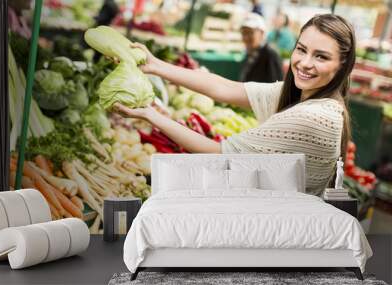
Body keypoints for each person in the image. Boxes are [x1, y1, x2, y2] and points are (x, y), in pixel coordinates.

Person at [114, 14, 355, 196]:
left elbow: (218, 154)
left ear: (343, 65)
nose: (304, 63)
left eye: (321, 56)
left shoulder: (314, 116)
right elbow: (225, 88)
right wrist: (156, 66)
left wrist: (151, 115)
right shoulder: (309, 97)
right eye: (301, 50)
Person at [239, 13, 283, 83]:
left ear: (262, 33)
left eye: (250, 32)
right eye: (244, 33)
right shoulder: (250, 53)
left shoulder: (270, 54)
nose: (246, 37)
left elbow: (275, 86)